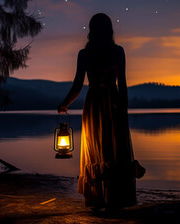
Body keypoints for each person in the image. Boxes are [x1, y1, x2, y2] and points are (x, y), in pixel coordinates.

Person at [58, 13, 144, 212]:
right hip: (113, 102)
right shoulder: (117, 52)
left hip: (95, 103)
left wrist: (65, 103)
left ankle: (99, 200)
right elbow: (122, 85)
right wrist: (123, 110)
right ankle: (116, 200)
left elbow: (78, 85)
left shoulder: (85, 54)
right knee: (115, 149)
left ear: (91, 31)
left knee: (99, 148)